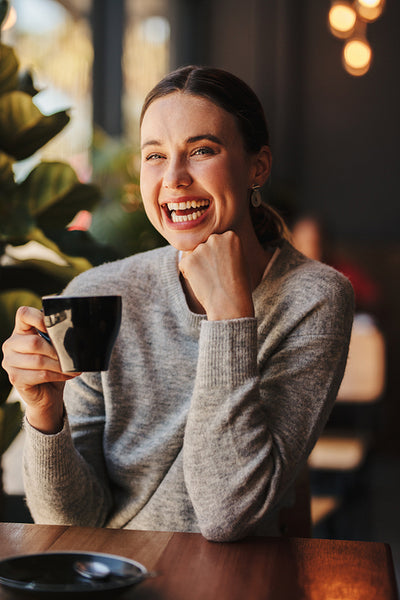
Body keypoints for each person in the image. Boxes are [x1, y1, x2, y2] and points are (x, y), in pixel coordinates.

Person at [2, 66, 354, 542]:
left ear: (258, 166)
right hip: (108, 575)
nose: (173, 178)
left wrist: (229, 315)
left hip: (231, 581)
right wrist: (45, 415)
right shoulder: (95, 293)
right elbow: (71, 522)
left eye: (202, 151)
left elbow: (228, 514)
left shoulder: (312, 298)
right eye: (154, 156)